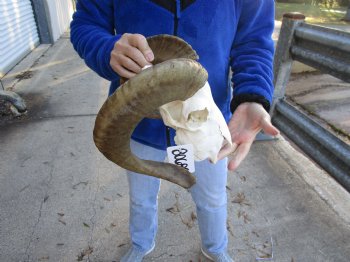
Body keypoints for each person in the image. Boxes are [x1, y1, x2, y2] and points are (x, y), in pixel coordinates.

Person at [70, 1, 279, 261]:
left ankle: (215, 249)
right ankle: (141, 243)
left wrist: (253, 95)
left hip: (205, 127)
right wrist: (106, 48)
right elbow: (86, 24)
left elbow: (253, 39)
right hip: (138, 125)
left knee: (212, 199)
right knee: (141, 199)